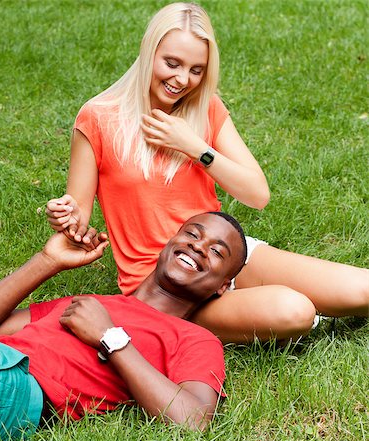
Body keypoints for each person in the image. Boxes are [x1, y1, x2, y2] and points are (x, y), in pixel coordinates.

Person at [46, 2, 368, 343]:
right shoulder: (97, 118)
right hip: (165, 285)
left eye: (196, 70)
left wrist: (192, 145)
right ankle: (176, 320)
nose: (182, 80)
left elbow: (257, 194)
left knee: (364, 289)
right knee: (295, 311)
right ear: (148, 51)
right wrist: (66, 216)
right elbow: (77, 216)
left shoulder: (205, 108)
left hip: (222, 256)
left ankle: (246, 301)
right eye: (171, 63)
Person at [0, 211, 247, 441]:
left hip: (7, 394)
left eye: (218, 252)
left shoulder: (196, 339)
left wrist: (111, 337)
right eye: (192, 234)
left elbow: (193, 423)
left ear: (222, 286)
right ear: (168, 244)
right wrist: (48, 261)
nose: (199, 247)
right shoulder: (89, 303)